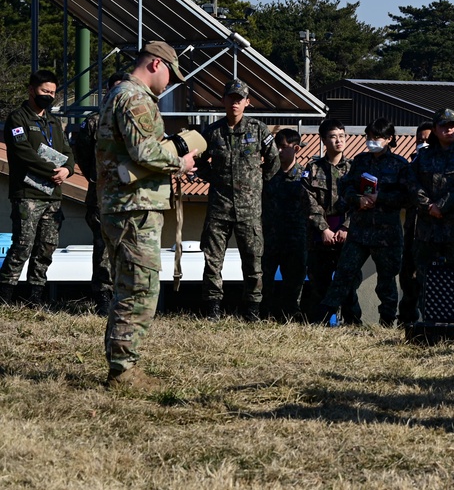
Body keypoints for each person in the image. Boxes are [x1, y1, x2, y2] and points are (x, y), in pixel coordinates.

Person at [96, 41, 197, 390]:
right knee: (139, 288)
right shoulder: (135, 97)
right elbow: (144, 150)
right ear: (156, 64)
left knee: (129, 286)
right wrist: (179, 161)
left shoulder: (118, 94)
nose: (170, 83)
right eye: (170, 73)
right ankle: (123, 371)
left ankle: (121, 364)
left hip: (124, 205)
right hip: (134, 207)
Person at [197, 78, 280, 321]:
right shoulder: (212, 132)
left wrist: (256, 183)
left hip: (249, 210)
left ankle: (252, 310)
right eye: (231, 98)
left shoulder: (258, 129)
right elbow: (199, 160)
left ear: (247, 103)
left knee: (253, 263)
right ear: (224, 101)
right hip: (219, 207)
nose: (235, 102)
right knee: (213, 261)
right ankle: (213, 309)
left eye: (239, 99)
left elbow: (273, 161)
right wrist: (214, 178)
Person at [319, 118, 410, 326]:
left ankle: (387, 323)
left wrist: (381, 198)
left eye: (376, 137)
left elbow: (407, 197)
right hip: (359, 231)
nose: (371, 141)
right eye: (368, 137)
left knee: (386, 283)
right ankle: (324, 318)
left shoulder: (400, 165)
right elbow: (346, 187)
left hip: (386, 235)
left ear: (388, 139)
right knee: (343, 276)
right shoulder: (360, 161)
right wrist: (357, 199)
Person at [0, 69, 75, 307]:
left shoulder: (53, 121)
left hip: (53, 194)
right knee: (22, 245)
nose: (49, 96)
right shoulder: (18, 118)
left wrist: (68, 170)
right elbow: (24, 154)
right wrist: (52, 171)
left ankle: (36, 299)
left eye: (52, 92)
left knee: (46, 248)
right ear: (32, 90)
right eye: (45, 91)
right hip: (28, 193)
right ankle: (5, 297)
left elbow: (67, 153)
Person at [407, 109, 454, 319]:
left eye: (453, 125)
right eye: (444, 126)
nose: (449, 129)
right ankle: (431, 322)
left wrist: (442, 206)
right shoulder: (424, 155)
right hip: (428, 231)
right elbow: (412, 183)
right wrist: (429, 206)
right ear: (435, 129)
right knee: (426, 278)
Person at [71, 71, 125, 315]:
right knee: (102, 245)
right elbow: (80, 152)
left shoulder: (133, 120)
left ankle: (126, 295)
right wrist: (94, 175)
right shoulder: (93, 122)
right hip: (101, 195)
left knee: (128, 245)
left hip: (128, 196)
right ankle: (103, 296)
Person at [302, 118, 360, 324]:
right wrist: (323, 229)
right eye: (333, 137)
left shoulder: (355, 168)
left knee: (349, 284)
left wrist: (347, 226)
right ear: (323, 140)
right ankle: (321, 324)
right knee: (320, 284)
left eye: (342, 136)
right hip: (320, 237)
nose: (338, 141)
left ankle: (353, 324)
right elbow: (308, 201)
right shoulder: (312, 168)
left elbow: (360, 202)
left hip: (348, 235)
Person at [261, 128, 315, 321]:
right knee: (264, 282)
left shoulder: (306, 176)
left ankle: (290, 317)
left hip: (296, 240)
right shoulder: (266, 175)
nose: (280, 151)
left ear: (296, 148)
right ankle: (263, 316)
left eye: (284, 147)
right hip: (270, 238)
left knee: (293, 284)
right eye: (277, 147)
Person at [399, 121, 434, 325]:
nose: (423, 144)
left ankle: (429, 321)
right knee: (407, 279)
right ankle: (406, 320)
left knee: (427, 279)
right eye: (419, 140)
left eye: (427, 140)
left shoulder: (437, 164)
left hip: (430, 234)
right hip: (410, 231)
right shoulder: (409, 166)